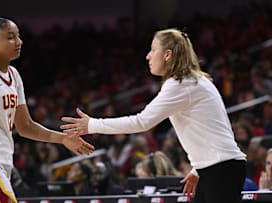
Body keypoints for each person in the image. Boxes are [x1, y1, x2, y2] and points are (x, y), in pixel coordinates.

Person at [61, 28, 246, 203]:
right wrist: (199, 169)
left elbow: (142, 122)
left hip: (221, 170)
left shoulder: (181, 84)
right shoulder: (193, 81)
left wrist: (92, 125)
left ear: (167, 55)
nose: (148, 55)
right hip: (218, 168)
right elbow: (216, 129)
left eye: (153, 49)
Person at [0, 4, 94, 203]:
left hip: (3, 164)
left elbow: (26, 126)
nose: (19, 42)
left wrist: (63, 139)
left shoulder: (14, 75)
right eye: (11, 37)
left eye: (18, 36)